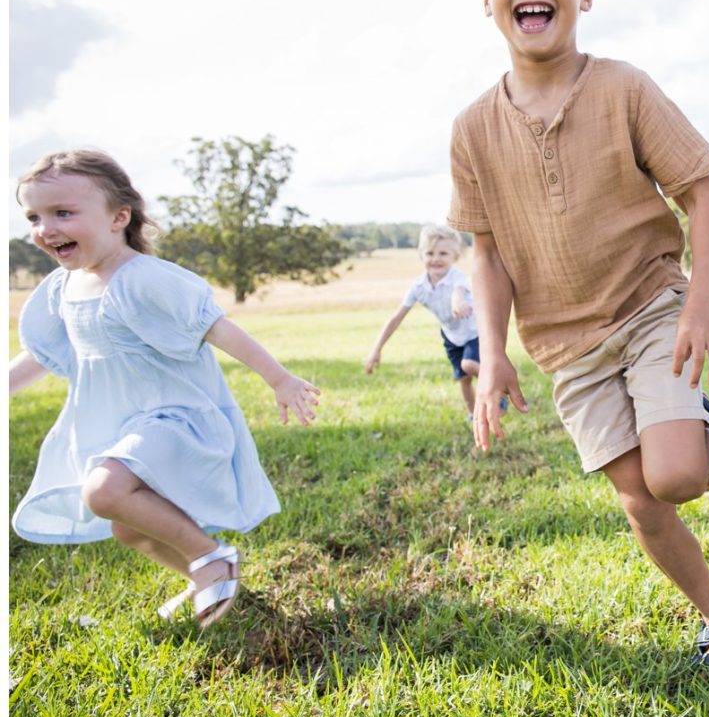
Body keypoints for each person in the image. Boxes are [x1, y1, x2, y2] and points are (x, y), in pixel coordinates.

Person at [448, 0, 709, 670]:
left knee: (677, 473)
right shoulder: (473, 130)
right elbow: (488, 250)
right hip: (566, 348)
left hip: (651, 307)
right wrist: (495, 354)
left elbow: (702, 196)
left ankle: (700, 438)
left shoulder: (623, 87)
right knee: (641, 503)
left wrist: (702, 306)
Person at [9, 149, 319, 626]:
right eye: (34, 216)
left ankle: (211, 557)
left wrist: (278, 377)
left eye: (63, 213)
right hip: (127, 425)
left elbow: (216, 327)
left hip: (176, 418)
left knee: (103, 491)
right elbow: (46, 356)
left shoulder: (143, 277)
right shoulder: (62, 288)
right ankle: (209, 576)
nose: (45, 228)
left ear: (119, 217)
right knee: (127, 528)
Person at [364, 224, 500, 420]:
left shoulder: (457, 278)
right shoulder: (418, 286)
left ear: (455, 256)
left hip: (474, 332)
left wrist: (458, 302)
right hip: (451, 336)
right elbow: (396, 317)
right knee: (463, 379)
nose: (436, 258)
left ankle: (498, 389)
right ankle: (474, 416)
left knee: (469, 364)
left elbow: (458, 292)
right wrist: (376, 349)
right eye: (430, 253)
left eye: (443, 253)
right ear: (421, 255)